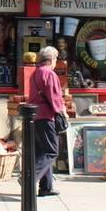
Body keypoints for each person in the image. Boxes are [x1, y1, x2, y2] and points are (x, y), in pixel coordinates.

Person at [28, 45, 65, 196]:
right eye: (56, 59)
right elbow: (55, 97)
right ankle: (29, 178)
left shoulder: (35, 73)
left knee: (42, 151)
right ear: (51, 59)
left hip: (35, 116)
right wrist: (62, 112)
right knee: (51, 151)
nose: (56, 62)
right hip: (47, 116)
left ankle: (46, 187)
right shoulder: (49, 73)